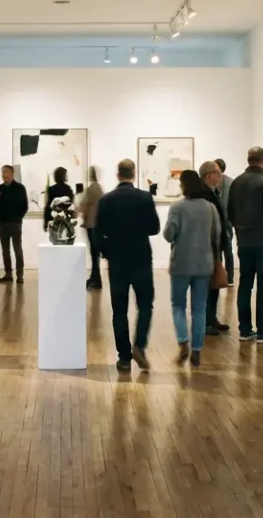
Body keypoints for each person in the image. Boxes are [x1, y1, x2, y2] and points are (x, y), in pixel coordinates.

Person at [95, 159, 161, 372]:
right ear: (133, 173)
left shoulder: (106, 200)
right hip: (141, 258)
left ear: (118, 174)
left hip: (118, 262)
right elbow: (154, 228)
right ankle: (139, 345)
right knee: (146, 305)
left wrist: (107, 252)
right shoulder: (144, 198)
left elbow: (97, 232)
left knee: (119, 310)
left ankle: (124, 358)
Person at [226, 147, 263, 344]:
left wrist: (239, 230)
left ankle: (244, 329)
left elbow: (230, 211)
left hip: (245, 241)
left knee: (245, 285)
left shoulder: (237, 182)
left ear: (248, 159)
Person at [163, 170, 221, 368]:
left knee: (178, 305)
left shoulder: (177, 207)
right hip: (204, 264)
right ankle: (197, 349)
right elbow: (217, 236)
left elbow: (169, 235)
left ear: (184, 185)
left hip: (181, 264)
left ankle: (183, 343)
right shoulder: (210, 208)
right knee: (199, 308)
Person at [199, 160, 233, 335]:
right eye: (218, 173)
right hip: (208, 247)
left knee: (213, 285)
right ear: (208, 175)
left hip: (214, 246)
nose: (220, 176)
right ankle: (206, 321)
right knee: (207, 285)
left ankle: (211, 319)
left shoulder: (211, 193)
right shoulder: (205, 195)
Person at [0, 165, 28, 283]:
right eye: (3, 173)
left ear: (12, 174)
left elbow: (24, 206)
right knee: (5, 250)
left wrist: (18, 218)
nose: (5, 175)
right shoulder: (0, 188)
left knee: (17, 249)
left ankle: (20, 275)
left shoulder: (20, 188)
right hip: (3, 224)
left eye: (7, 173)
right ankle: (8, 274)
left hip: (15, 224)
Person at [76, 166, 105, 290]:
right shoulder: (99, 188)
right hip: (97, 224)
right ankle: (94, 277)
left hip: (91, 225)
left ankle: (96, 279)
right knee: (95, 253)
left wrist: (76, 212)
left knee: (94, 253)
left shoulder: (91, 189)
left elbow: (83, 205)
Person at [214, 158, 235, 286]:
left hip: (227, 222)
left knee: (227, 250)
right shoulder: (212, 183)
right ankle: (220, 277)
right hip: (217, 222)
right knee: (218, 252)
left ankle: (229, 278)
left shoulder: (231, 183)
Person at [43, 166, 75, 232]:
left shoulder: (51, 189)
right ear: (63, 176)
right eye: (66, 175)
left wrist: (45, 222)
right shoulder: (68, 189)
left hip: (54, 219)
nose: (67, 176)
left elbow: (48, 207)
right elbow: (72, 204)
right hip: (66, 221)